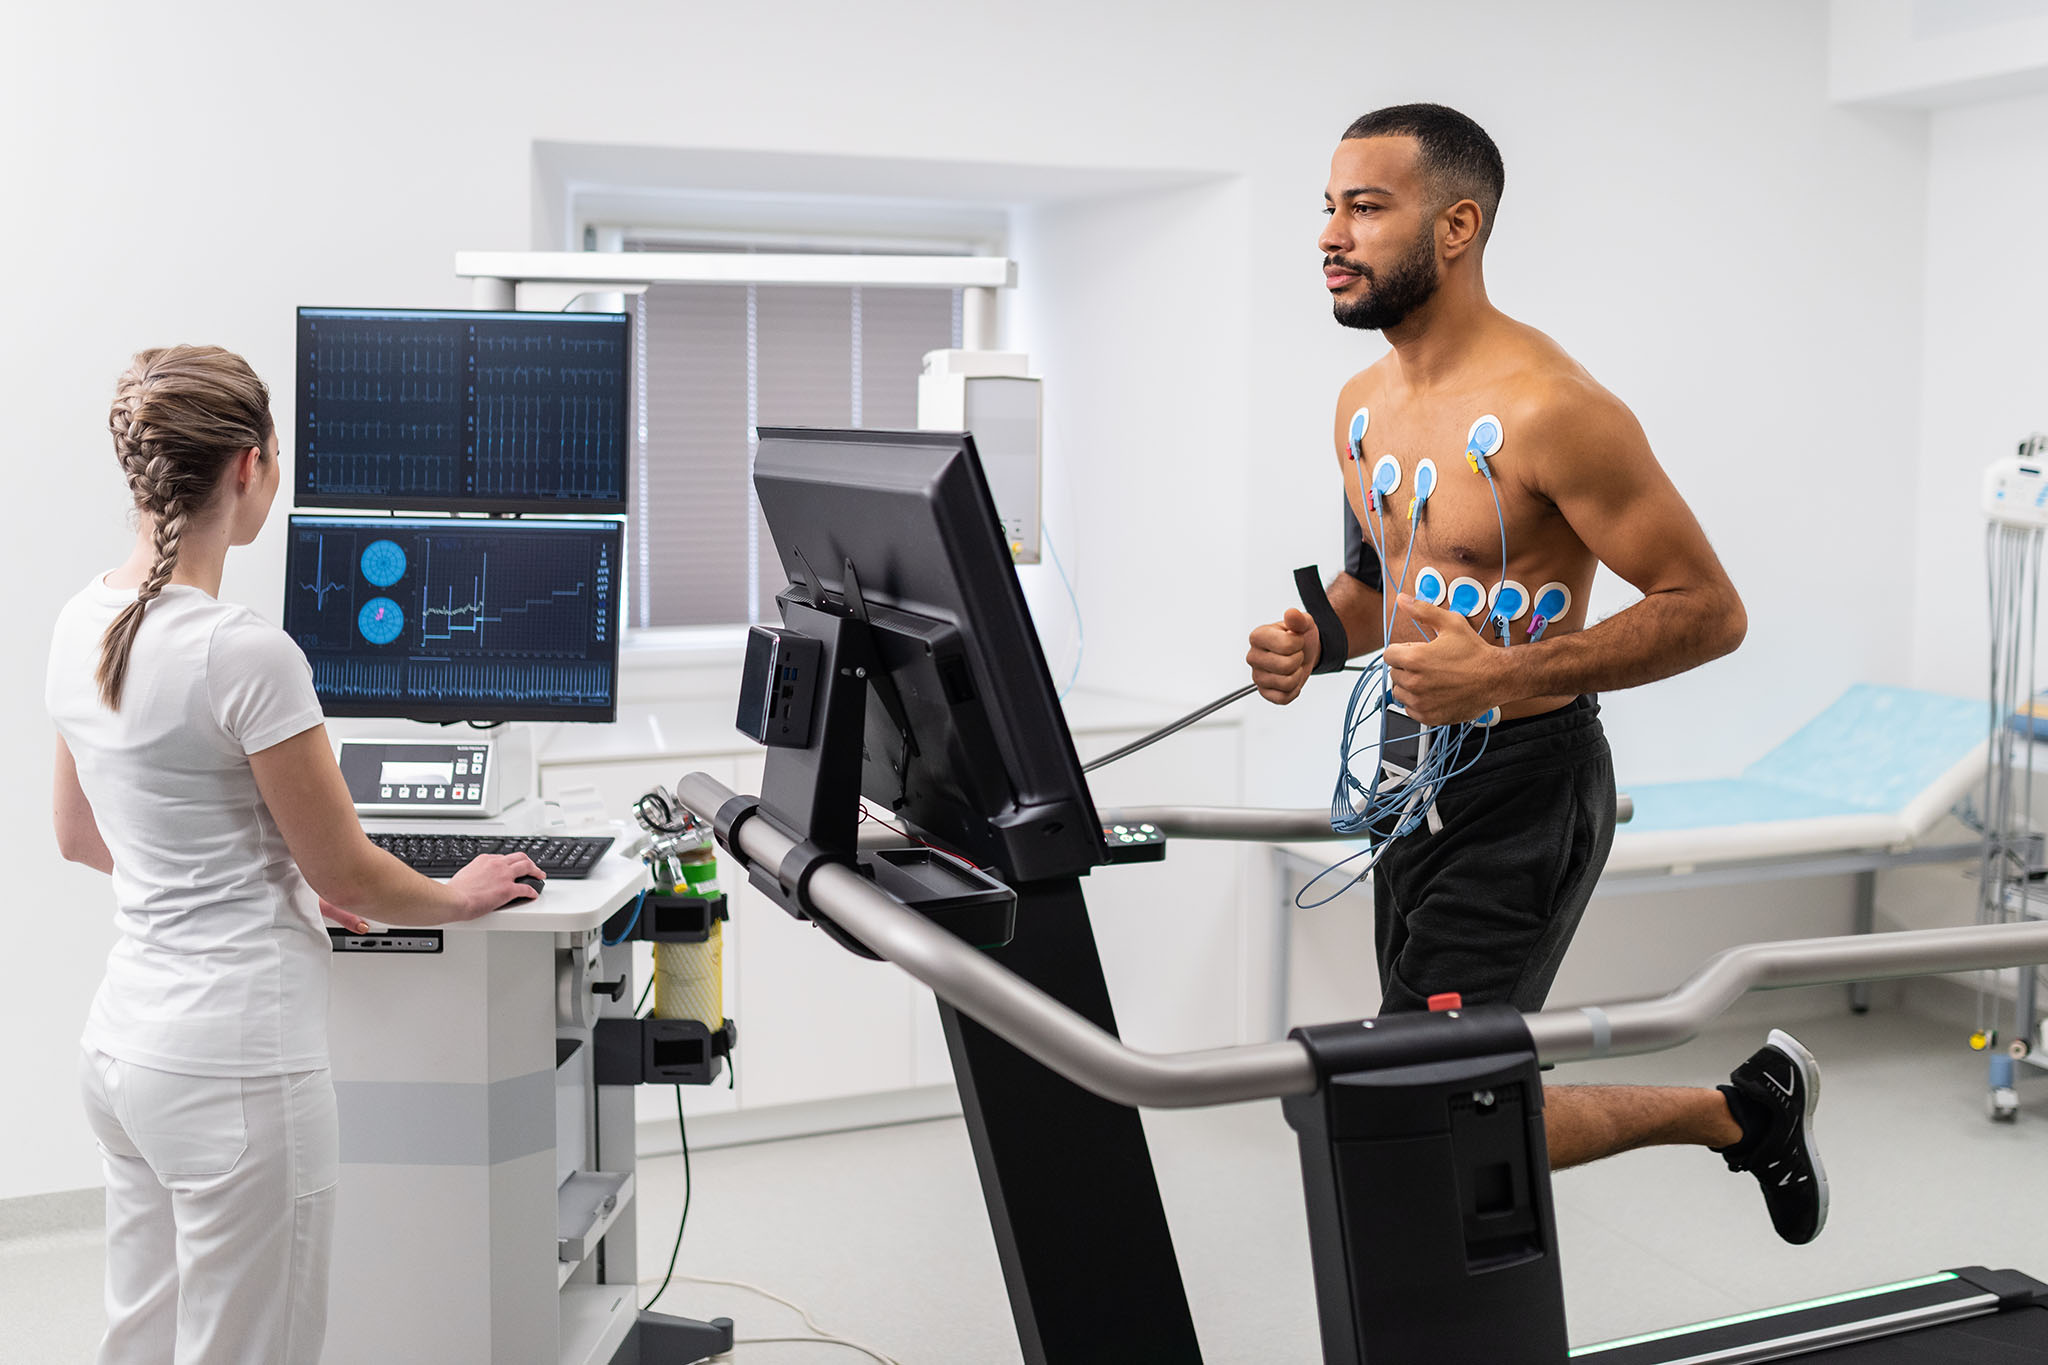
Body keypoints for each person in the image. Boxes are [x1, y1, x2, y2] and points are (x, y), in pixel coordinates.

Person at [1246, 106, 1824, 1243]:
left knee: (1421, 1101)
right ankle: (1748, 1111)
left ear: (1456, 226)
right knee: (1438, 1087)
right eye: (1329, 206)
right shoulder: (1359, 408)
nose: (1331, 234)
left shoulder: (1555, 410)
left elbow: (1708, 611)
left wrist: (1502, 678)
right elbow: (1379, 587)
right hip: (1407, 774)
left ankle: (1739, 1115)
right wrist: (1313, 641)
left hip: (1523, 785)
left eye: (1366, 208)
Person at [47, 346, 544, 1364]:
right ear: (251, 466)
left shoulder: (79, 621)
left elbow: (81, 837)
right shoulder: (243, 653)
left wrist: (247, 880)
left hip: (124, 1054)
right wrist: (455, 894)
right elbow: (346, 872)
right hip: (234, 1070)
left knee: (141, 1339)